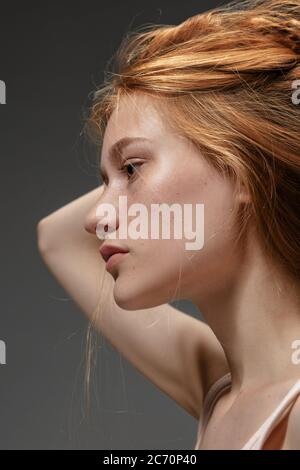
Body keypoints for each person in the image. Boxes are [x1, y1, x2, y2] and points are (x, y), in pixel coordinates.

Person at [37, 0, 300, 449]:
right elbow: (57, 238)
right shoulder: (221, 389)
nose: (95, 215)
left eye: (133, 170)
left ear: (243, 171)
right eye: (105, 181)